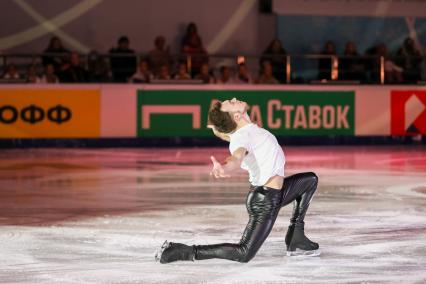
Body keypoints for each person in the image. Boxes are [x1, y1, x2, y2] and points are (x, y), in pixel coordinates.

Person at [156, 98, 320, 264]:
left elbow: (225, 133)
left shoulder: (248, 130)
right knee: (244, 253)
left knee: (310, 180)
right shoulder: (241, 138)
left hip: (277, 192)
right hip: (264, 201)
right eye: (232, 103)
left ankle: (295, 236)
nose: (234, 99)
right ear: (236, 116)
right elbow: (236, 157)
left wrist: (215, 126)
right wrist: (226, 168)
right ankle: (182, 251)